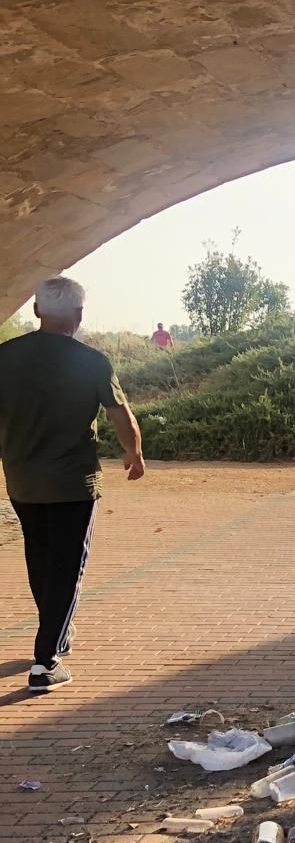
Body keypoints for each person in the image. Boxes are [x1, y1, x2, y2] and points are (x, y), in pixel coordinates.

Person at [0, 277, 144, 692]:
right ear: (79, 317)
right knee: (67, 567)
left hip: (22, 479)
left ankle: (56, 630)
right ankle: (46, 662)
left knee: (41, 559)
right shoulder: (90, 361)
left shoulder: (5, 357)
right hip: (72, 482)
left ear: (36, 312)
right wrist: (133, 453)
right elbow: (121, 414)